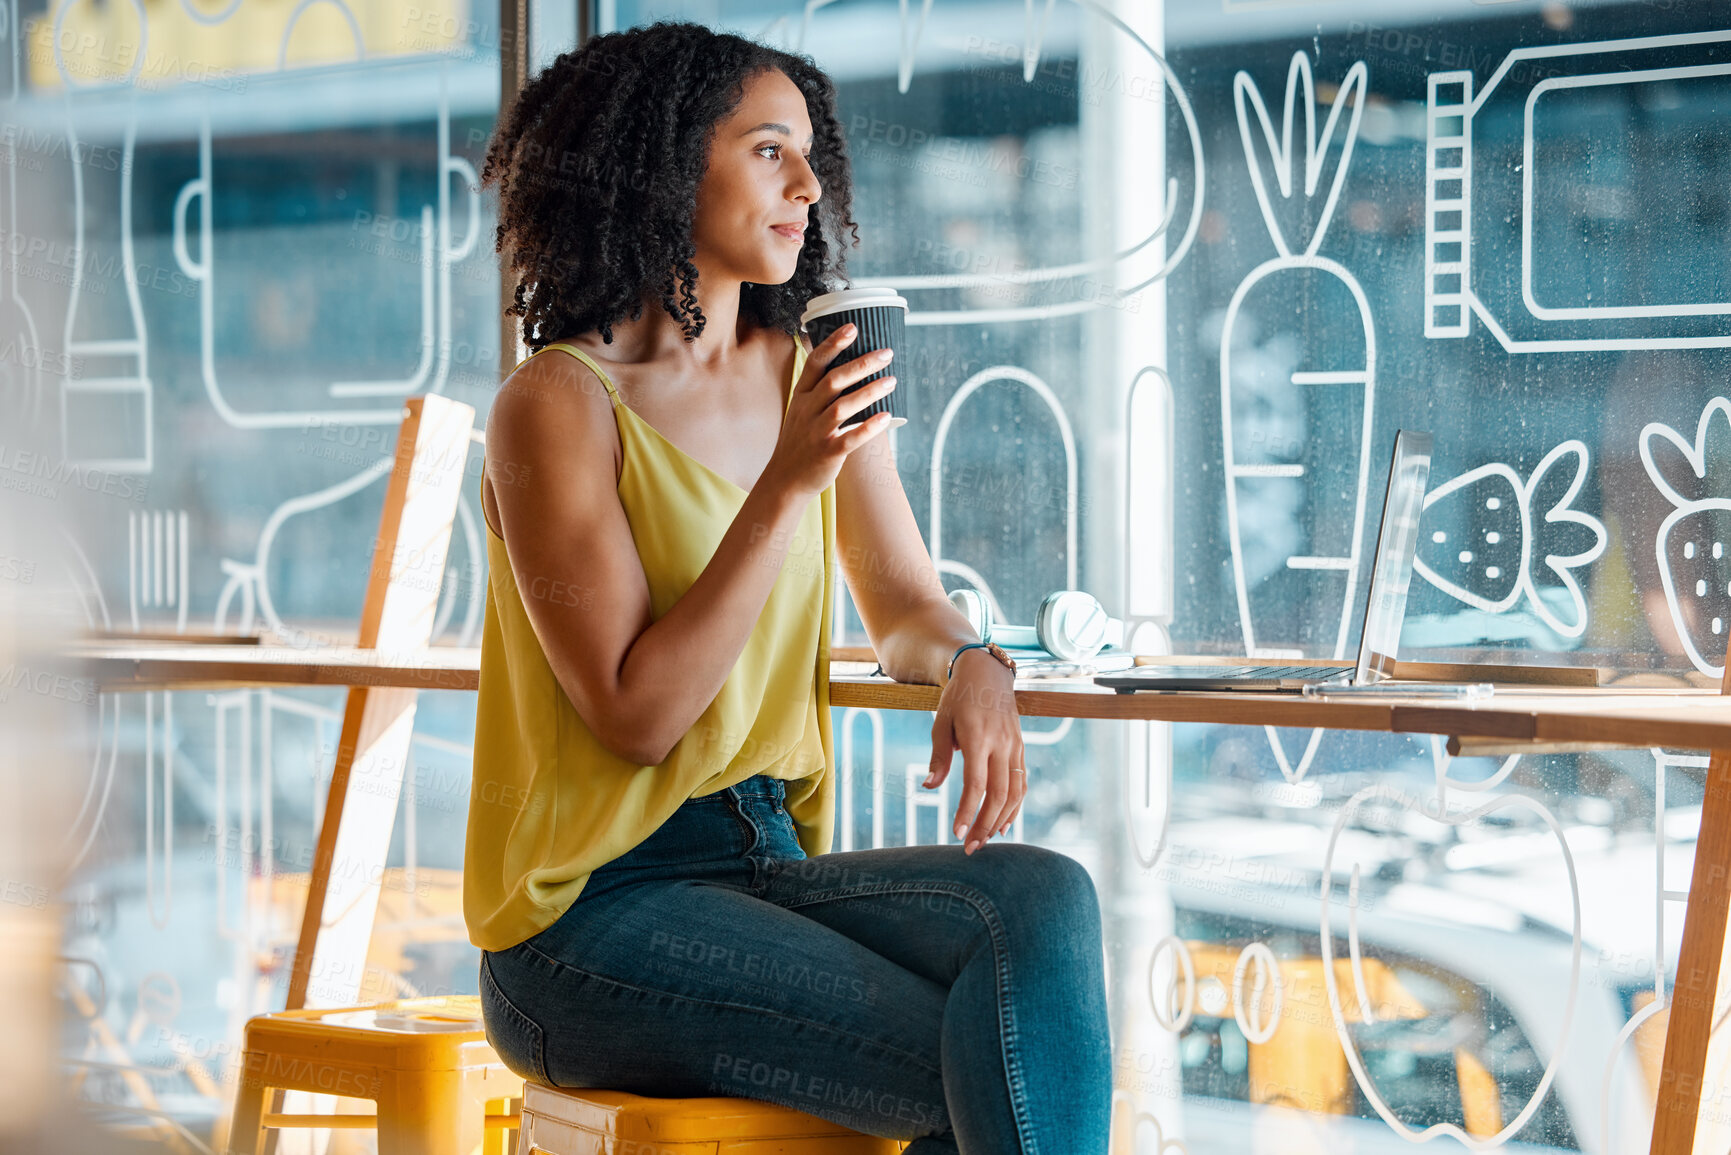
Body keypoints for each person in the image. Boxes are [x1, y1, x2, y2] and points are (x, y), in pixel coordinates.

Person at [466, 20, 1111, 1153]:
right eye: (771, 150)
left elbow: (902, 601)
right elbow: (636, 714)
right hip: (588, 919)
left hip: (764, 860)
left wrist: (969, 661)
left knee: (1043, 902)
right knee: (1003, 1055)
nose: (810, 185)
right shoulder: (558, 405)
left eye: (812, 155)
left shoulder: (811, 374)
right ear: (663, 164)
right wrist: (786, 483)